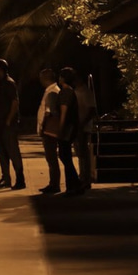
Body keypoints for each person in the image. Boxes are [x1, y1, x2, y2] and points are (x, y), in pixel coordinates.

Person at [0, 58, 25, 190]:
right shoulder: (0, 84)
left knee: (13, 152)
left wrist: (9, 119)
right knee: (2, 153)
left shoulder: (9, 83)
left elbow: (15, 102)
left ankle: (20, 180)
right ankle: (6, 179)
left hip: (8, 125)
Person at [57, 67, 84, 196]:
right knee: (65, 156)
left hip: (67, 128)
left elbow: (64, 110)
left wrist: (60, 128)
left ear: (63, 78)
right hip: (71, 127)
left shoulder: (65, 92)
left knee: (65, 155)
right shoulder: (71, 91)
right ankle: (75, 184)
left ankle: (73, 185)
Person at [36, 68, 61, 194]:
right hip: (50, 129)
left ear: (45, 78)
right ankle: (53, 183)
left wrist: (43, 127)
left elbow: (48, 112)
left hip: (50, 130)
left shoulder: (52, 92)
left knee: (51, 158)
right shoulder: (52, 90)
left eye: (41, 77)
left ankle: (54, 184)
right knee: (51, 158)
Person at [73, 70, 98, 191]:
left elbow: (91, 110)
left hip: (83, 127)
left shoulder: (85, 92)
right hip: (78, 126)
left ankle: (86, 178)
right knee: (80, 153)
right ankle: (82, 176)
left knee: (83, 153)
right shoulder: (77, 91)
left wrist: (82, 124)